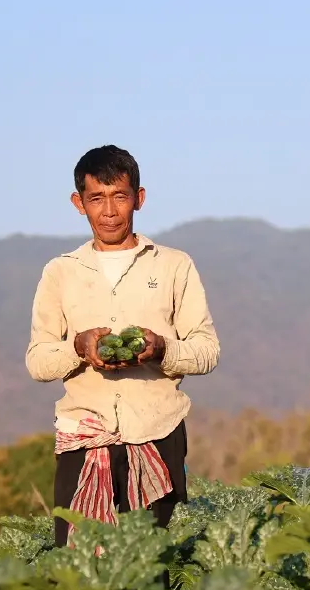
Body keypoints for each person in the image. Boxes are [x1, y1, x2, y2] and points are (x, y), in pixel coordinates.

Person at [25, 144, 220, 548]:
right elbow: (38, 361)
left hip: (157, 433)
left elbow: (207, 350)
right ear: (79, 203)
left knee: (155, 568)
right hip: (84, 438)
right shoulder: (60, 272)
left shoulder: (173, 265)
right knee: (80, 569)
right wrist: (78, 347)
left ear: (139, 198)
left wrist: (161, 348)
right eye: (97, 198)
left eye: (120, 197)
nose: (109, 211)